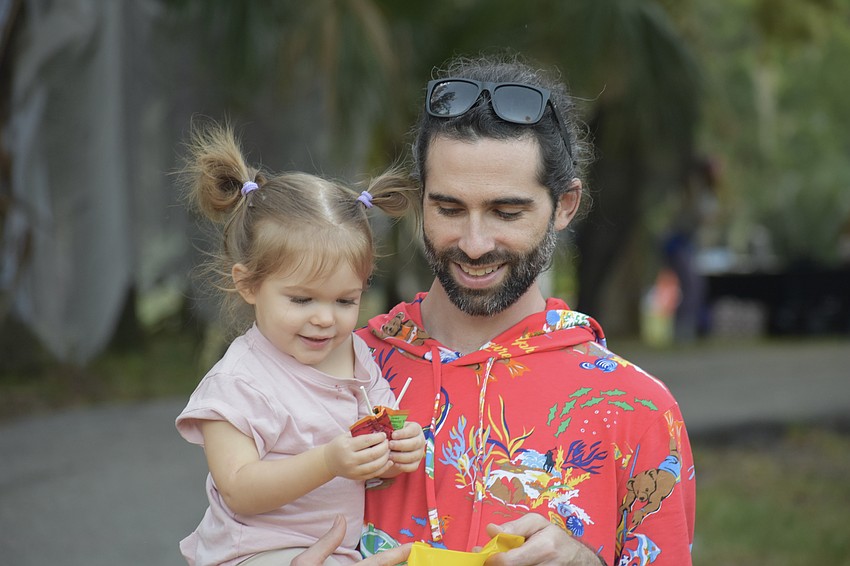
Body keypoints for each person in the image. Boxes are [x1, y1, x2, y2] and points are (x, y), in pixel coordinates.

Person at [303, 53, 696, 565]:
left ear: (566, 205)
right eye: (448, 209)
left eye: (506, 212)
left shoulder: (638, 411)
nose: (473, 243)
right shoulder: (333, 366)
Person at [174, 121, 426, 566]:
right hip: (254, 553)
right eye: (301, 298)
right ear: (248, 284)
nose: (325, 318)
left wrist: (399, 448)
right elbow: (239, 490)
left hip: (336, 552)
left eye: (346, 300)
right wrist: (329, 461)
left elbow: (377, 443)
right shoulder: (240, 382)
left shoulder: (356, 355)